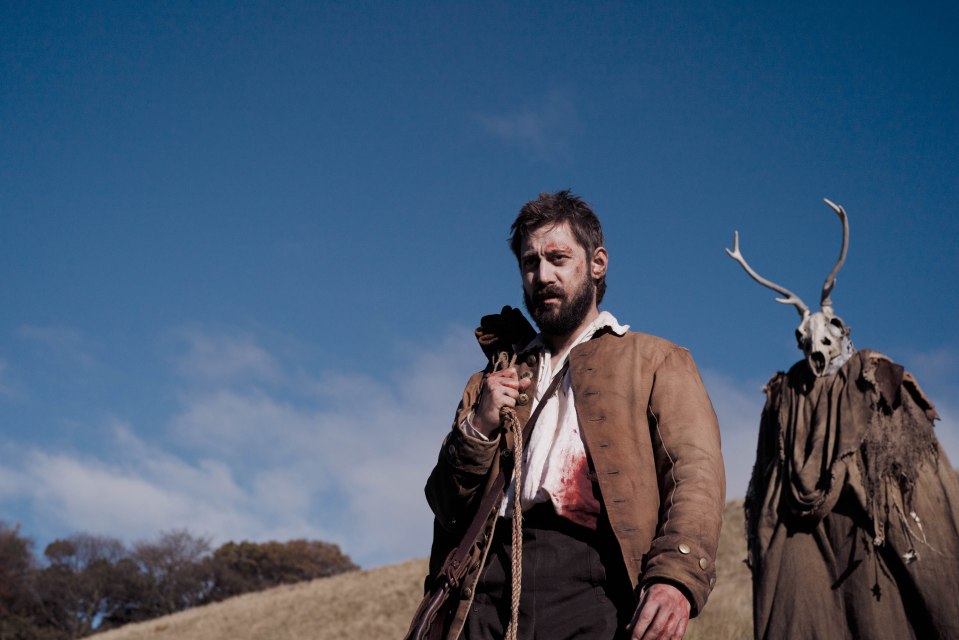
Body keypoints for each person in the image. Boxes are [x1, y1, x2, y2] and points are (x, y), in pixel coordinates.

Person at [422, 191, 725, 640]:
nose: (542, 275)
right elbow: (446, 507)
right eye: (530, 263)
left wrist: (676, 576)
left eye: (558, 258)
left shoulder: (655, 361)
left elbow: (695, 475)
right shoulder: (490, 379)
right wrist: (480, 425)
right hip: (483, 592)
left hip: (595, 586)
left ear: (597, 263)